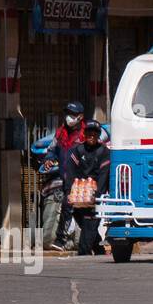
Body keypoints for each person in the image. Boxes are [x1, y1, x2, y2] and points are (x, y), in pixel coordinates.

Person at [67, 121, 111, 256]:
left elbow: (104, 176)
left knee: (89, 224)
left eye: (94, 133)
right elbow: (70, 172)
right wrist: (69, 192)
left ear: (98, 135)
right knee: (86, 225)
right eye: (89, 133)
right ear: (84, 134)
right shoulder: (78, 150)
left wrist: (97, 197)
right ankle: (99, 251)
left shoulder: (104, 152)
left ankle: (83, 254)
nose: (91, 135)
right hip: (78, 196)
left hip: (95, 196)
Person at [49, 102, 87, 251]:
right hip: (67, 178)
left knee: (68, 207)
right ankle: (95, 243)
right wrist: (49, 159)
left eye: (73, 114)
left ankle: (60, 240)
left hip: (82, 180)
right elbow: (52, 150)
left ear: (80, 117)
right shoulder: (60, 133)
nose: (69, 117)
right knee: (77, 212)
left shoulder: (86, 134)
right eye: (68, 114)